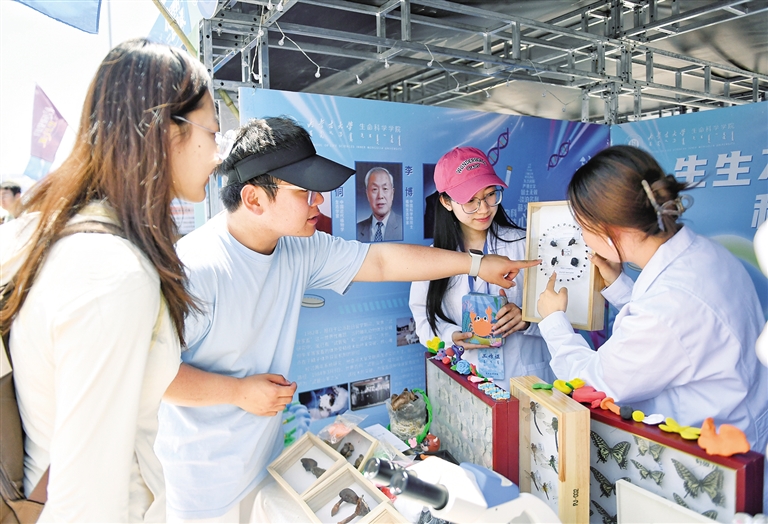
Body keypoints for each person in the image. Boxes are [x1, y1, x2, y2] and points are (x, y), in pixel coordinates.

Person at [155, 117, 538, 522]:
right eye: (305, 192)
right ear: (254, 199)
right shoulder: (195, 268)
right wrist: (237, 392)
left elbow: (381, 260)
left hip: (270, 461)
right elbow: (154, 377)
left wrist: (477, 265)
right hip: (205, 480)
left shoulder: (298, 249)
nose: (319, 202)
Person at [0, 38, 226, 521]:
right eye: (212, 131)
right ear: (168, 130)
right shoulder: (114, 274)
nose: (217, 154)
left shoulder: (59, 235)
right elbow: (85, 505)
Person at [537, 145, 768, 455]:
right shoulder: (705, 253)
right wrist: (619, 286)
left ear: (610, 231)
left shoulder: (668, 305)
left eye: (583, 228)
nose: (582, 238)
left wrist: (553, 320)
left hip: (712, 454)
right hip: (742, 423)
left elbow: (593, 383)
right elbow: (674, 335)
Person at [409, 147, 555, 387]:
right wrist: (450, 336)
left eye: (490, 194)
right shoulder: (433, 258)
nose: (484, 208)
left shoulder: (526, 245)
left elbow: (567, 316)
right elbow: (423, 320)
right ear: (446, 202)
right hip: (467, 382)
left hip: (529, 380)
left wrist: (528, 319)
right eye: (470, 200)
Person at [356, 166, 402, 242]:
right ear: (367, 194)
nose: (380, 196)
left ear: (392, 193)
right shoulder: (357, 229)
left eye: (385, 189)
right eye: (374, 189)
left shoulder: (404, 226)